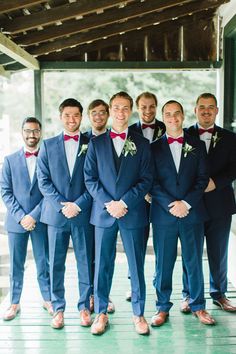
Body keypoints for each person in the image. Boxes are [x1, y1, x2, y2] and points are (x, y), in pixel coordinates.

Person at [84, 91, 153, 335]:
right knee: (102, 264)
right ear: (110, 110)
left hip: (132, 212)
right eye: (116, 108)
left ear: (131, 110)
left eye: (125, 108)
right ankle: (101, 313)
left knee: (136, 266)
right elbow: (90, 179)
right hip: (103, 214)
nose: (121, 112)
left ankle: (139, 314)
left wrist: (124, 202)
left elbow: (146, 179)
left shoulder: (142, 144)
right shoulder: (95, 143)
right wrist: (108, 203)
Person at [150, 100, 215, 327]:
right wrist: (172, 204)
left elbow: (202, 179)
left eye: (177, 113)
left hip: (192, 214)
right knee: (163, 263)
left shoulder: (197, 145)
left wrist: (185, 203)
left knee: (194, 261)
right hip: (163, 215)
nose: (173, 118)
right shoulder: (154, 147)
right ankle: (162, 307)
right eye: (168, 114)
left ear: (183, 115)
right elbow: (152, 182)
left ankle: (198, 306)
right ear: (163, 117)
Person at [37, 98, 94, 329]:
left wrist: (78, 204)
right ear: (61, 117)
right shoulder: (48, 145)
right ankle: (58, 309)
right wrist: (63, 205)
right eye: (67, 115)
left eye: (76, 115)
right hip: (56, 216)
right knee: (56, 264)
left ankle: (84, 307)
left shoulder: (93, 144)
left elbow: (96, 181)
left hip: (82, 214)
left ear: (81, 117)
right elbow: (43, 181)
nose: (72, 120)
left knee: (85, 263)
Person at [181, 93, 236, 313]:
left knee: (218, 251)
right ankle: (188, 294)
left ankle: (219, 294)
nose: (206, 111)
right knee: (190, 252)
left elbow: (234, 167)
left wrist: (217, 182)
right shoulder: (184, 136)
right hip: (191, 205)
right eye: (202, 107)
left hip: (219, 202)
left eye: (210, 107)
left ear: (217, 111)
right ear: (195, 110)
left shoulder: (231, 138)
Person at [0, 117, 52, 321]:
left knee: (43, 262)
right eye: (28, 131)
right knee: (16, 264)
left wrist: (34, 216)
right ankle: (14, 302)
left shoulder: (47, 159)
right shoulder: (10, 160)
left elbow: (49, 191)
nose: (32, 135)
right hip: (16, 222)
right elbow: (5, 192)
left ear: (40, 132)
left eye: (36, 131)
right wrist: (22, 217)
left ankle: (48, 299)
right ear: (22, 132)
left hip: (41, 220)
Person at [125, 92, 166, 301]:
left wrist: (155, 191)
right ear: (137, 109)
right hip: (137, 197)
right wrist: (143, 191)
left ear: (156, 107)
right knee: (137, 241)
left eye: (151, 106)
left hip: (162, 196)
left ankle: (159, 281)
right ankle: (134, 283)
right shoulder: (128, 132)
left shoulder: (166, 127)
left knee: (161, 242)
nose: (148, 111)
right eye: (143, 107)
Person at [85, 99, 115, 314]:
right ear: (89, 115)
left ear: (108, 115)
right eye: (94, 112)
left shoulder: (113, 139)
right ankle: (90, 295)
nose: (98, 116)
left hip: (107, 207)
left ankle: (104, 295)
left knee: (106, 254)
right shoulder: (82, 140)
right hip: (84, 206)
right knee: (88, 254)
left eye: (102, 112)